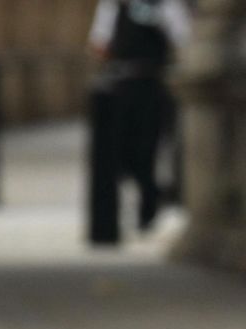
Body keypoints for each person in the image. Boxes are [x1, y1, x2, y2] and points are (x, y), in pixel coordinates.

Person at [89, 0, 190, 232]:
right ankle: (151, 191)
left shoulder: (165, 5)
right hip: (123, 84)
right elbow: (99, 42)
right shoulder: (113, 5)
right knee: (121, 151)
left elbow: (181, 37)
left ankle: (148, 206)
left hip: (152, 84)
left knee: (147, 148)